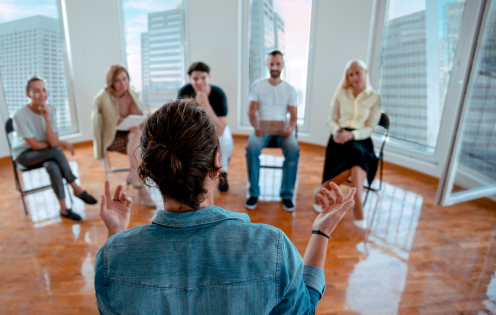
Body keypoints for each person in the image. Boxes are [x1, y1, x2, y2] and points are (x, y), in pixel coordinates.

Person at [94, 99, 356, 314]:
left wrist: (116, 236)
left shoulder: (110, 258)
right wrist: (321, 233)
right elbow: (304, 309)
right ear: (216, 162)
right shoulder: (273, 249)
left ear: (150, 171)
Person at [12, 76, 98, 222]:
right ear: (28, 94)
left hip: (45, 153)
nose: (42, 94)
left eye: (44, 90)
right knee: (57, 151)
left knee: (52, 165)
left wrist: (46, 118)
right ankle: (76, 188)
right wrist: (61, 143)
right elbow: (35, 145)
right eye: (36, 91)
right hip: (24, 154)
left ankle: (64, 209)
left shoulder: (50, 109)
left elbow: (52, 142)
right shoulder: (19, 115)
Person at [314, 59, 382, 230]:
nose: (354, 77)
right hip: (339, 137)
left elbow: (370, 127)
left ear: (365, 72)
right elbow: (331, 119)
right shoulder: (341, 94)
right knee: (356, 158)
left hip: (361, 139)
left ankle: (325, 191)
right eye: (350, 74)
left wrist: (353, 135)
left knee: (358, 154)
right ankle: (357, 204)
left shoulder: (374, 98)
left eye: (357, 72)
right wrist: (338, 131)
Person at [92, 64, 154, 207]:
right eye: (118, 81)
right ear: (111, 82)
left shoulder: (131, 93)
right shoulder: (102, 97)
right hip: (112, 137)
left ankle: (134, 177)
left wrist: (144, 119)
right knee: (139, 142)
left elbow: (135, 116)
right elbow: (108, 122)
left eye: (125, 79)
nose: (123, 83)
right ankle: (139, 184)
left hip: (131, 135)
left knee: (137, 136)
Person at [245, 50, 300, 212]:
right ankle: (254, 193)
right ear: (267, 64)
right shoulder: (258, 86)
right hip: (262, 131)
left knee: (293, 148)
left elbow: (294, 116)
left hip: (282, 131)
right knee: (251, 148)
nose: (275, 67)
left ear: (282, 65)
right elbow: (251, 112)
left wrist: (290, 128)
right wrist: (256, 126)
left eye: (278, 64)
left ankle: (287, 194)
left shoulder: (290, 89)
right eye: (272, 64)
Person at [177, 61, 233, 192]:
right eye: (195, 79)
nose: (199, 82)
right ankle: (189, 176)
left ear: (209, 77)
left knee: (224, 140)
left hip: (216, 127)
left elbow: (221, 128)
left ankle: (223, 172)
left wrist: (205, 104)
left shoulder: (218, 94)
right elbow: (181, 121)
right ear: (190, 79)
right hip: (194, 128)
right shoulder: (184, 91)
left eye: (203, 78)